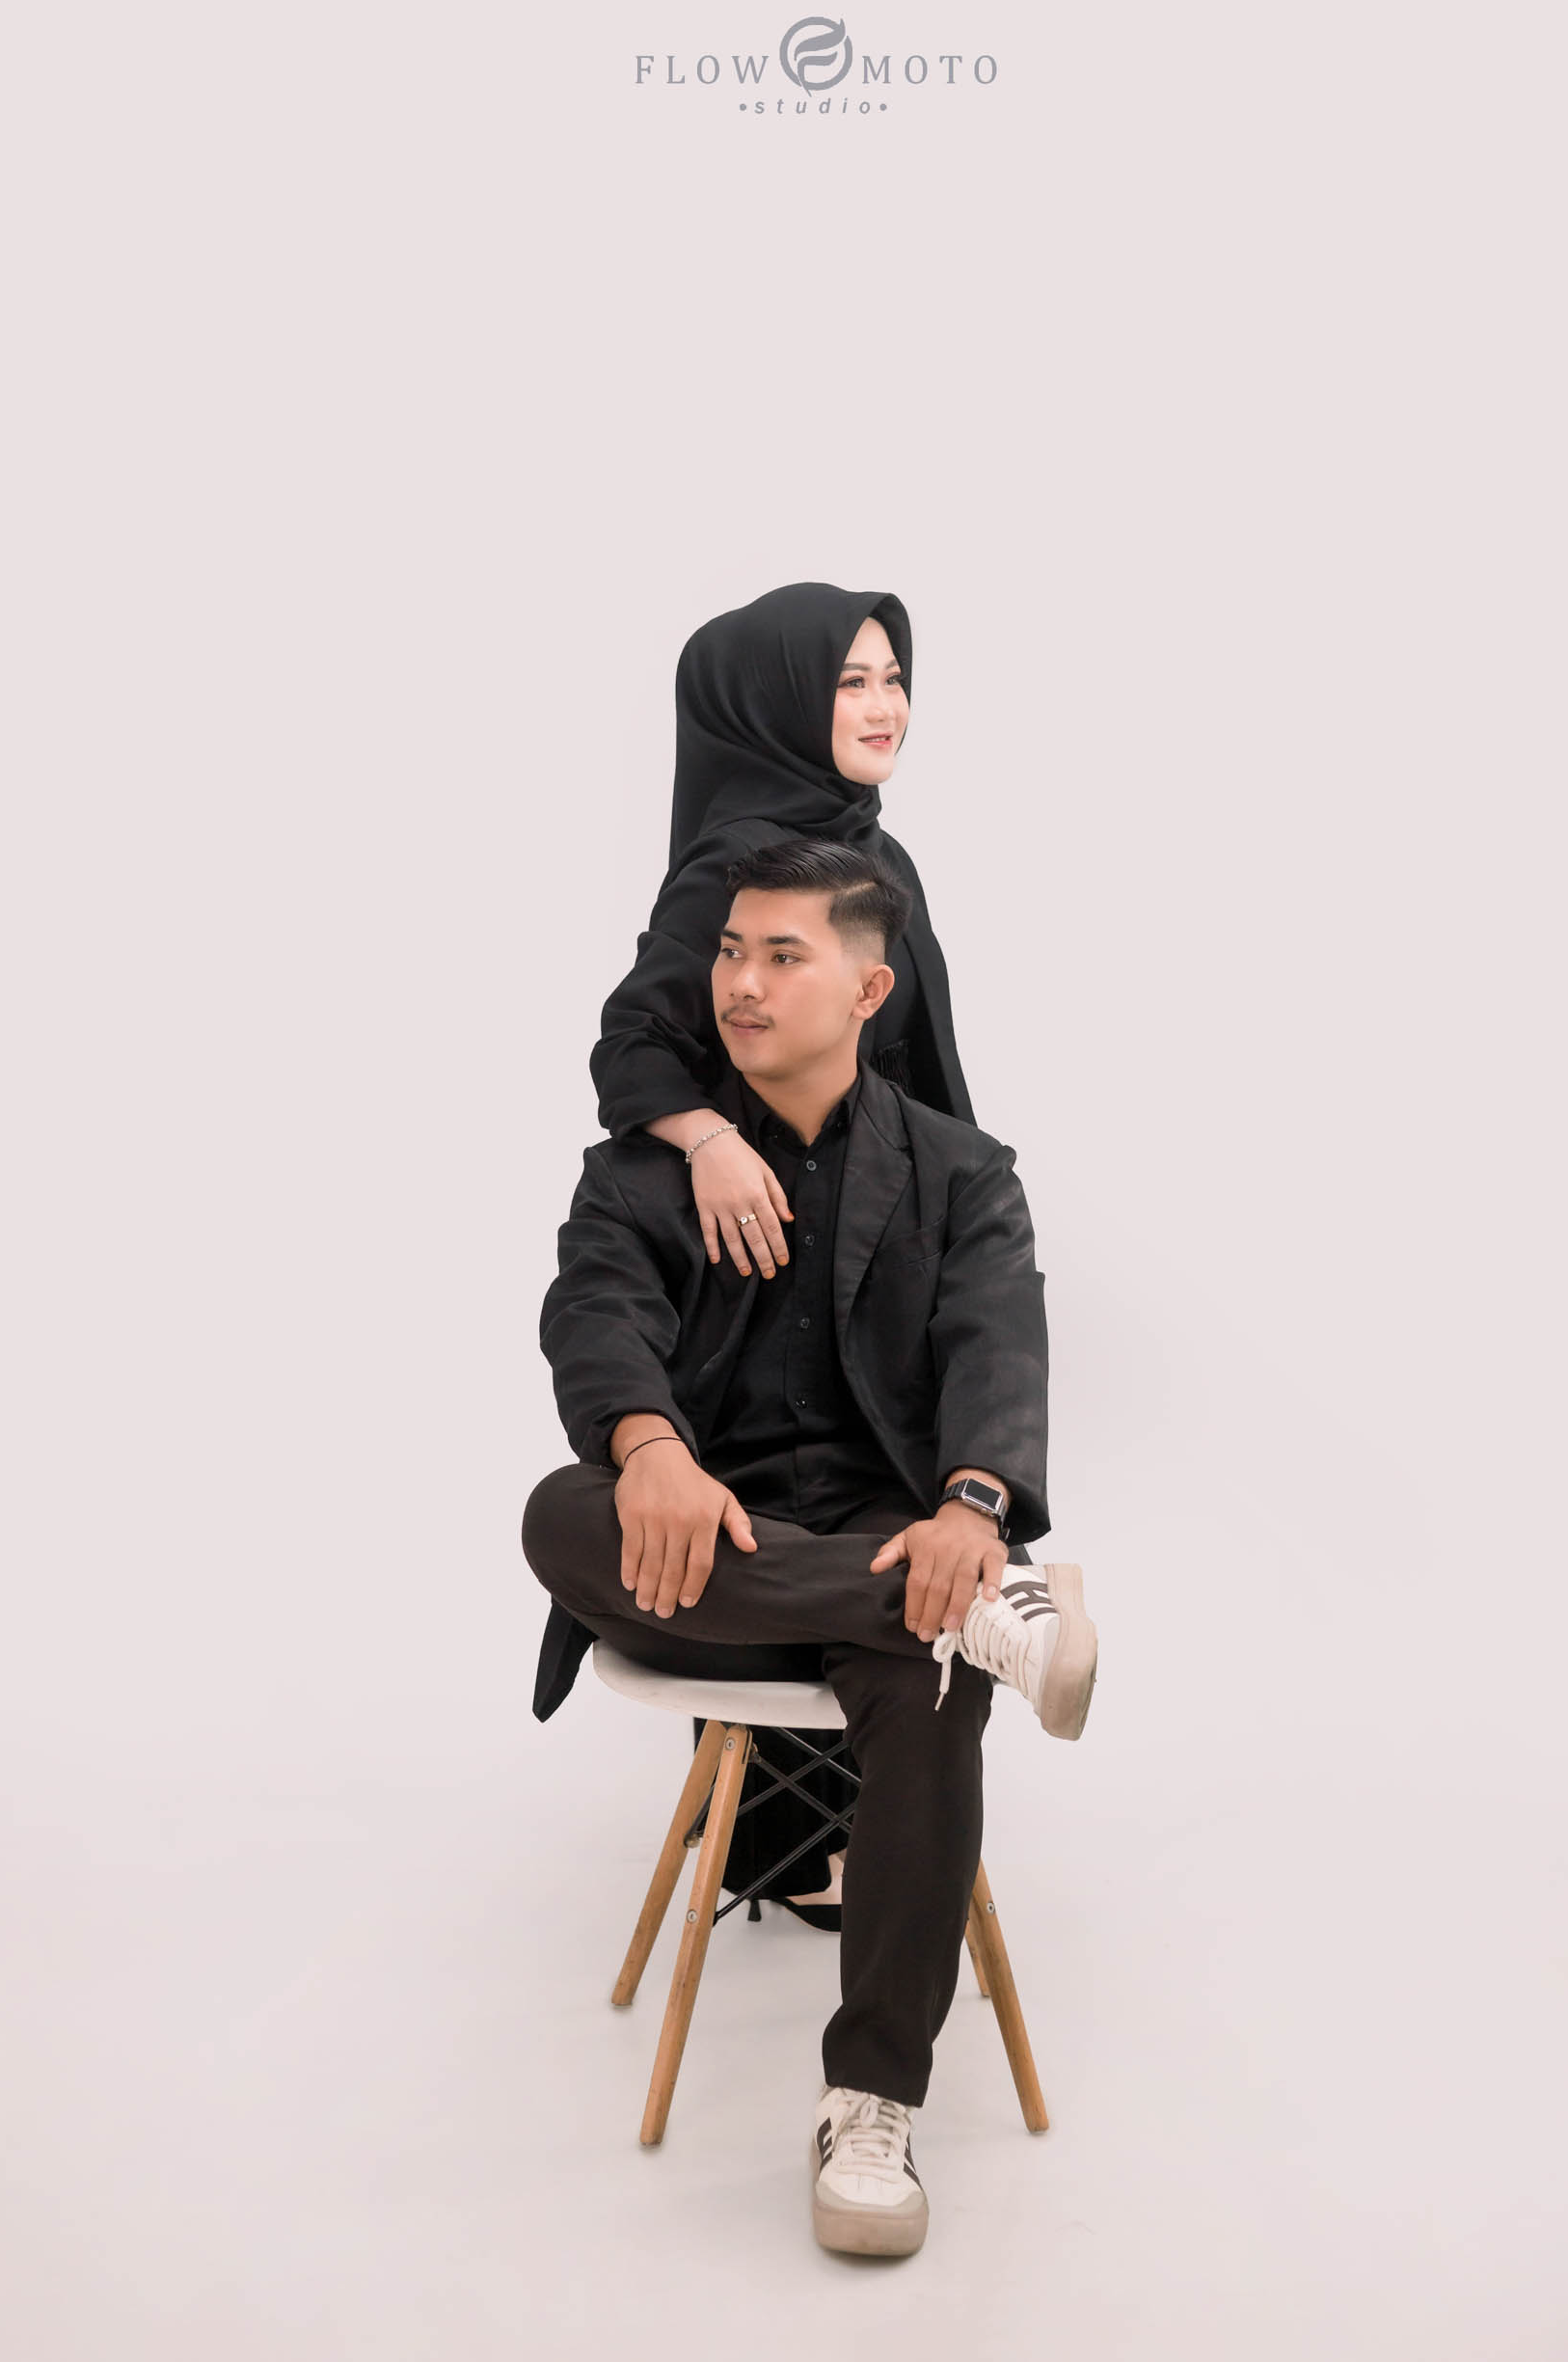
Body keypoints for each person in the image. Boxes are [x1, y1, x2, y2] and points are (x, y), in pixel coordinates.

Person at [524, 838, 1097, 2258]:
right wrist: (649, 1450)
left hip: (889, 1544)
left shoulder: (962, 1173)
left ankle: (873, 2105)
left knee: (927, 1670)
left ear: (868, 990)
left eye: (784, 956)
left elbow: (997, 1343)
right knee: (559, 1511)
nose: (742, 983)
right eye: (731, 951)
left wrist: (972, 1508)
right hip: (697, 1559)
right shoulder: (641, 1174)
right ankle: (984, 1613)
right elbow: (594, 1314)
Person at [590, 582, 973, 1923]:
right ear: (776, 703)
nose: (886, 707)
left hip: (873, 1237)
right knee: (786, 1495)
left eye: (894, 677)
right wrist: (707, 1140)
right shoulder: (742, 861)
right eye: (850, 681)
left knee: (873, 1496)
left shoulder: (870, 849)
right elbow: (632, 1043)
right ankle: (792, 1844)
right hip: (760, 1258)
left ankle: (808, 1846)